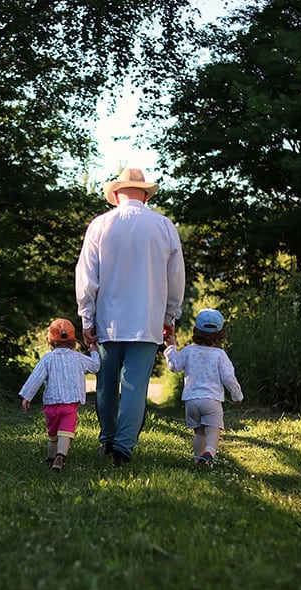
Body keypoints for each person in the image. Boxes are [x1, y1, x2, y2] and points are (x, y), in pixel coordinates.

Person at [75, 167, 185, 467]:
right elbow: (175, 277)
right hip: (147, 319)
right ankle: (124, 448)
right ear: (146, 196)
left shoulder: (100, 225)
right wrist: (170, 315)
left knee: (106, 384)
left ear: (115, 194)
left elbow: (86, 276)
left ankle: (108, 440)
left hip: (107, 320)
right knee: (136, 386)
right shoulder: (164, 226)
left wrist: (87, 318)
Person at [163, 308, 244, 466]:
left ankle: (198, 460)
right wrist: (237, 395)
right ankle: (209, 453)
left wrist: (171, 346)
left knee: (199, 432)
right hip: (212, 401)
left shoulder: (188, 351)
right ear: (220, 334)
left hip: (191, 401)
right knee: (213, 429)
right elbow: (229, 378)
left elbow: (174, 366)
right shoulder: (220, 355)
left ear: (196, 331)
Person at [19, 318, 100, 472]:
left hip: (51, 405)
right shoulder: (78, 358)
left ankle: (50, 459)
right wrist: (94, 351)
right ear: (72, 341)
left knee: (53, 435)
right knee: (66, 432)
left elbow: (35, 378)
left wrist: (27, 397)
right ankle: (61, 457)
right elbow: (95, 366)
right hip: (69, 405)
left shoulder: (47, 359)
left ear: (50, 341)